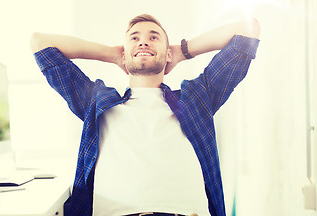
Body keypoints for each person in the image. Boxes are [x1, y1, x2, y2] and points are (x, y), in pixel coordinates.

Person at [30, 14, 260, 216]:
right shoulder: (97, 103)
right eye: (134, 38)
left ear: (168, 53)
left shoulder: (197, 98)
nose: (143, 41)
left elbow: (249, 30)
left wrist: (182, 51)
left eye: (153, 37)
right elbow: (41, 43)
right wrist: (112, 54)